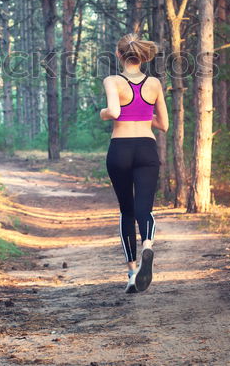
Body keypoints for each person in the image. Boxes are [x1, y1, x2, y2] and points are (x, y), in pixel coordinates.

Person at [99, 33, 169, 293]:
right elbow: (163, 125)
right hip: (147, 149)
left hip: (120, 149)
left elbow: (115, 112)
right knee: (144, 208)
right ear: (141, 57)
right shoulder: (155, 84)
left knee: (126, 210)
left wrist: (104, 113)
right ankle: (148, 246)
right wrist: (142, 114)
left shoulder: (113, 80)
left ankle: (131, 273)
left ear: (119, 55)